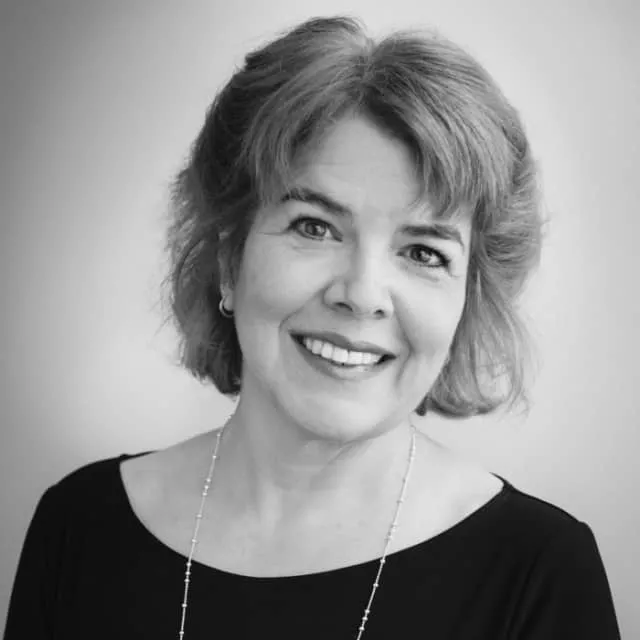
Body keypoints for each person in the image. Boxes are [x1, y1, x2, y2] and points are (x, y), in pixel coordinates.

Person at [4, 15, 621, 640]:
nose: (361, 294)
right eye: (315, 227)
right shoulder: (79, 527)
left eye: (423, 253)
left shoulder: (539, 574)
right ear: (229, 258)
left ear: (467, 300)